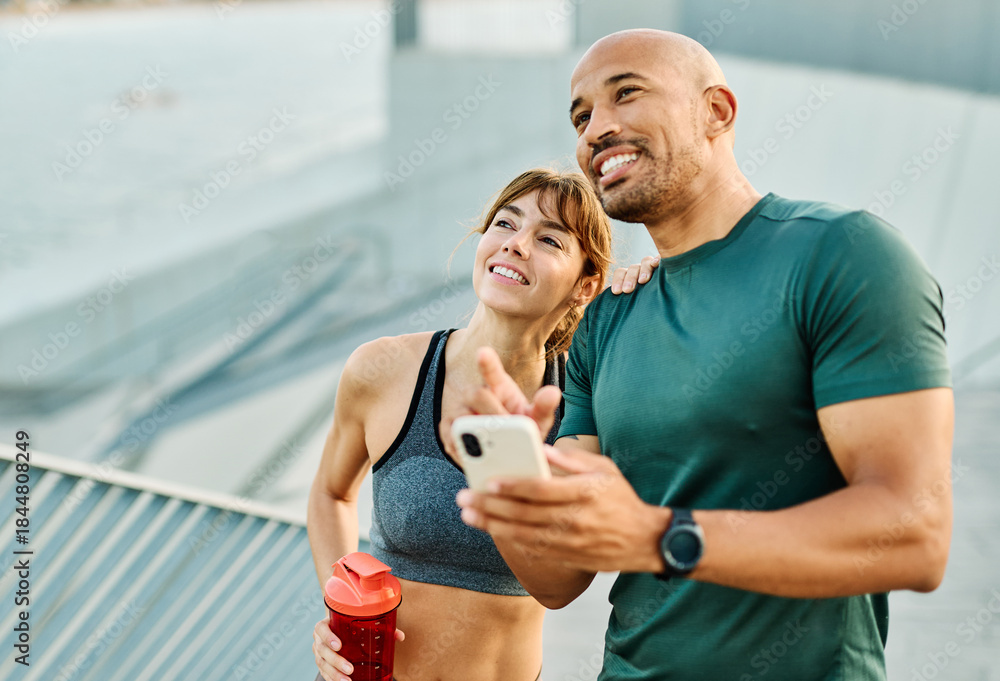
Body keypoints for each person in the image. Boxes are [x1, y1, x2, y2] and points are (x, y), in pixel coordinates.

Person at [453, 29, 954, 681]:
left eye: (626, 93)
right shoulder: (606, 319)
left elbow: (913, 535)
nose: (596, 130)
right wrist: (504, 468)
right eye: (581, 117)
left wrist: (659, 536)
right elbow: (557, 578)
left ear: (716, 111)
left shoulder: (844, 256)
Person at [307, 168, 622, 681]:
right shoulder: (383, 369)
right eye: (505, 223)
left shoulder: (583, 409)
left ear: (585, 285)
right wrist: (339, 604)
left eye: (549, 239)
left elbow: (563, 586)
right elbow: (330, 493)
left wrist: (506, 463)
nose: (516, 244)